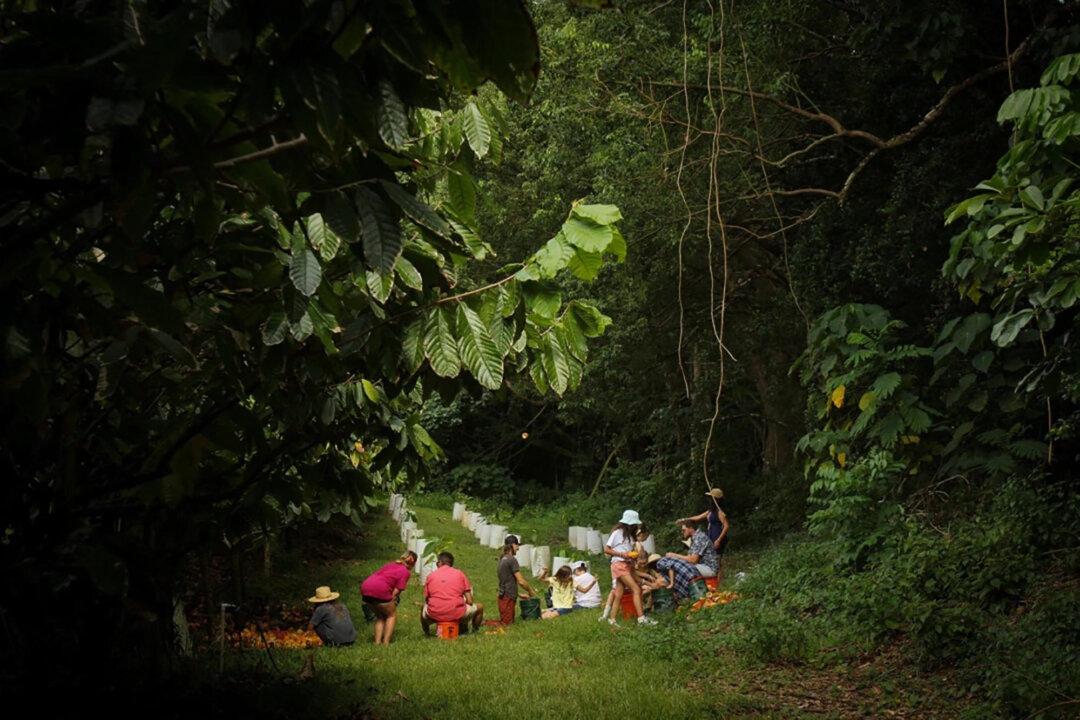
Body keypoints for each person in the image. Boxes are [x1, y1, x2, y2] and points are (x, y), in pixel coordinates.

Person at [601, 509, 656, 626]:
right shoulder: (617, 533)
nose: (636, 526)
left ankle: (612, 620)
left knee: (619, 594)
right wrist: (622, 555)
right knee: (636, 589)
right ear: (629, 523)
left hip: (627, 565)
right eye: (635, 524)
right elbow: (606, 549)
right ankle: (641, 619)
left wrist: (633, 557)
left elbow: (628, 553)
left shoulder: (630, 537)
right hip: (619, 564)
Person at [359, 550, 416, 645]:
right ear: (413, 564)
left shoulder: (390, 564)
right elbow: (396, 592)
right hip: (380, 589)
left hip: (366, 588)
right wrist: (391, 602)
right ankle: (386, 643)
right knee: (391, 615)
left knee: (380, 616)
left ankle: (377, 642)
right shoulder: (405, 572)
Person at [421, 551, 484, 636]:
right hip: (457, 614)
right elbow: (470, 601)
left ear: (439, 563)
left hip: (435, 614)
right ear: (451, 563)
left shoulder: (430, 576)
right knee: (480, 607)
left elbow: (427, 600)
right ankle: (474, 632)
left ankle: (427, 633)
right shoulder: (460, 574)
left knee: (423, 607)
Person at [676, 487, 730, 557]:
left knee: (715, 557)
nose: (709, 500)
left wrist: (719, 540)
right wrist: (684, 520)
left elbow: (726, 526)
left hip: (717, 536)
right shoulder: (711, 511)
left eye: (711, 498)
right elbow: (698, 517)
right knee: (709, 555)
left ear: (715, 499)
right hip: (711, 534)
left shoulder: (719, 511)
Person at [497, 534, 534, 625]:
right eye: (517, 545)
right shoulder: (511, 560)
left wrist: (518, 595)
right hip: (508, 598)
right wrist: (530, 591)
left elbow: (505, 582)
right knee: (506, 625)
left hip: (504, 596)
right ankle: (483, 623)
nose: (518, 548)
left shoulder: (503, 559)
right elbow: (521, 581)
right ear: (513, 545)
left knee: (508, 623)